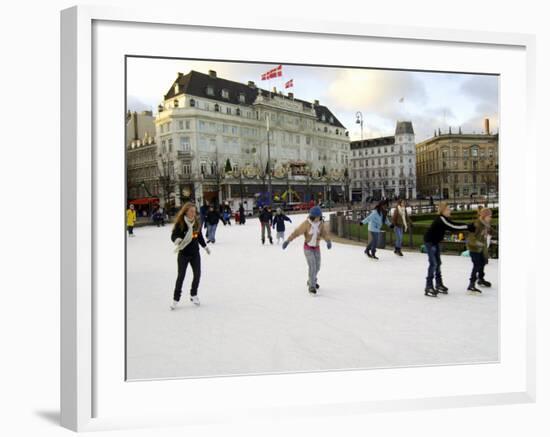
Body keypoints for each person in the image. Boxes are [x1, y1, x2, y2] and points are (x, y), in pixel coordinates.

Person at [423, 202, 475, 297]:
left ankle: (438, 284)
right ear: (443, 210)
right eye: (448, 209)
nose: (450, 210)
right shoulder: (441, 219)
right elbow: (453, 227)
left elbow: (453, 225)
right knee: (433, 263)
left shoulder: (444, 219)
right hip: (430, 242)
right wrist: (468, 226)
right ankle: (428, 286)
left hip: (435, 242)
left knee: (438, 263)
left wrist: (467, 226)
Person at [282, 206, 332, 295]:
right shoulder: (306, 224)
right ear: (313, 217)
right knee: (312, 266)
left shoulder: (320, 224)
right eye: (317, 217)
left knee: (318, 266)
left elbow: (324, 233)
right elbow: (296, 232)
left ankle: (311, 280)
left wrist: (328, 241)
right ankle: (312, 286)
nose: (318, 219)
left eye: (320, 217)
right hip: (308, 248)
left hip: (316, 247)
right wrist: (288, 241)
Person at [170, 202, 210, 309]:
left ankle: (193, 294)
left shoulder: (196, 222)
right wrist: (177, 239)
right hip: (183, 254)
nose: (193, 213)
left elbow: (199, 235)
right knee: (181, 276)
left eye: (194, 211)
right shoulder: (181, 223)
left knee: (197, 274)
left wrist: (205, 246)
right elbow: (173, 235)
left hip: (195, 254)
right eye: (191, 211)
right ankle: (176, 299)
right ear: (186, 211)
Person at [466, 208, 494, 294]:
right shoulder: (477, 224)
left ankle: (481, 279)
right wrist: (480, 244)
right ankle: (471, 285)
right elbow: (471, 239)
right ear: (485, 216)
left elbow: (492, 231)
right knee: (477, 265)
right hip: (474, 248)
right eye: (489, 216)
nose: (491, 218)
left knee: (483, 263)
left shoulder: (486, 224)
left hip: (482, 249)